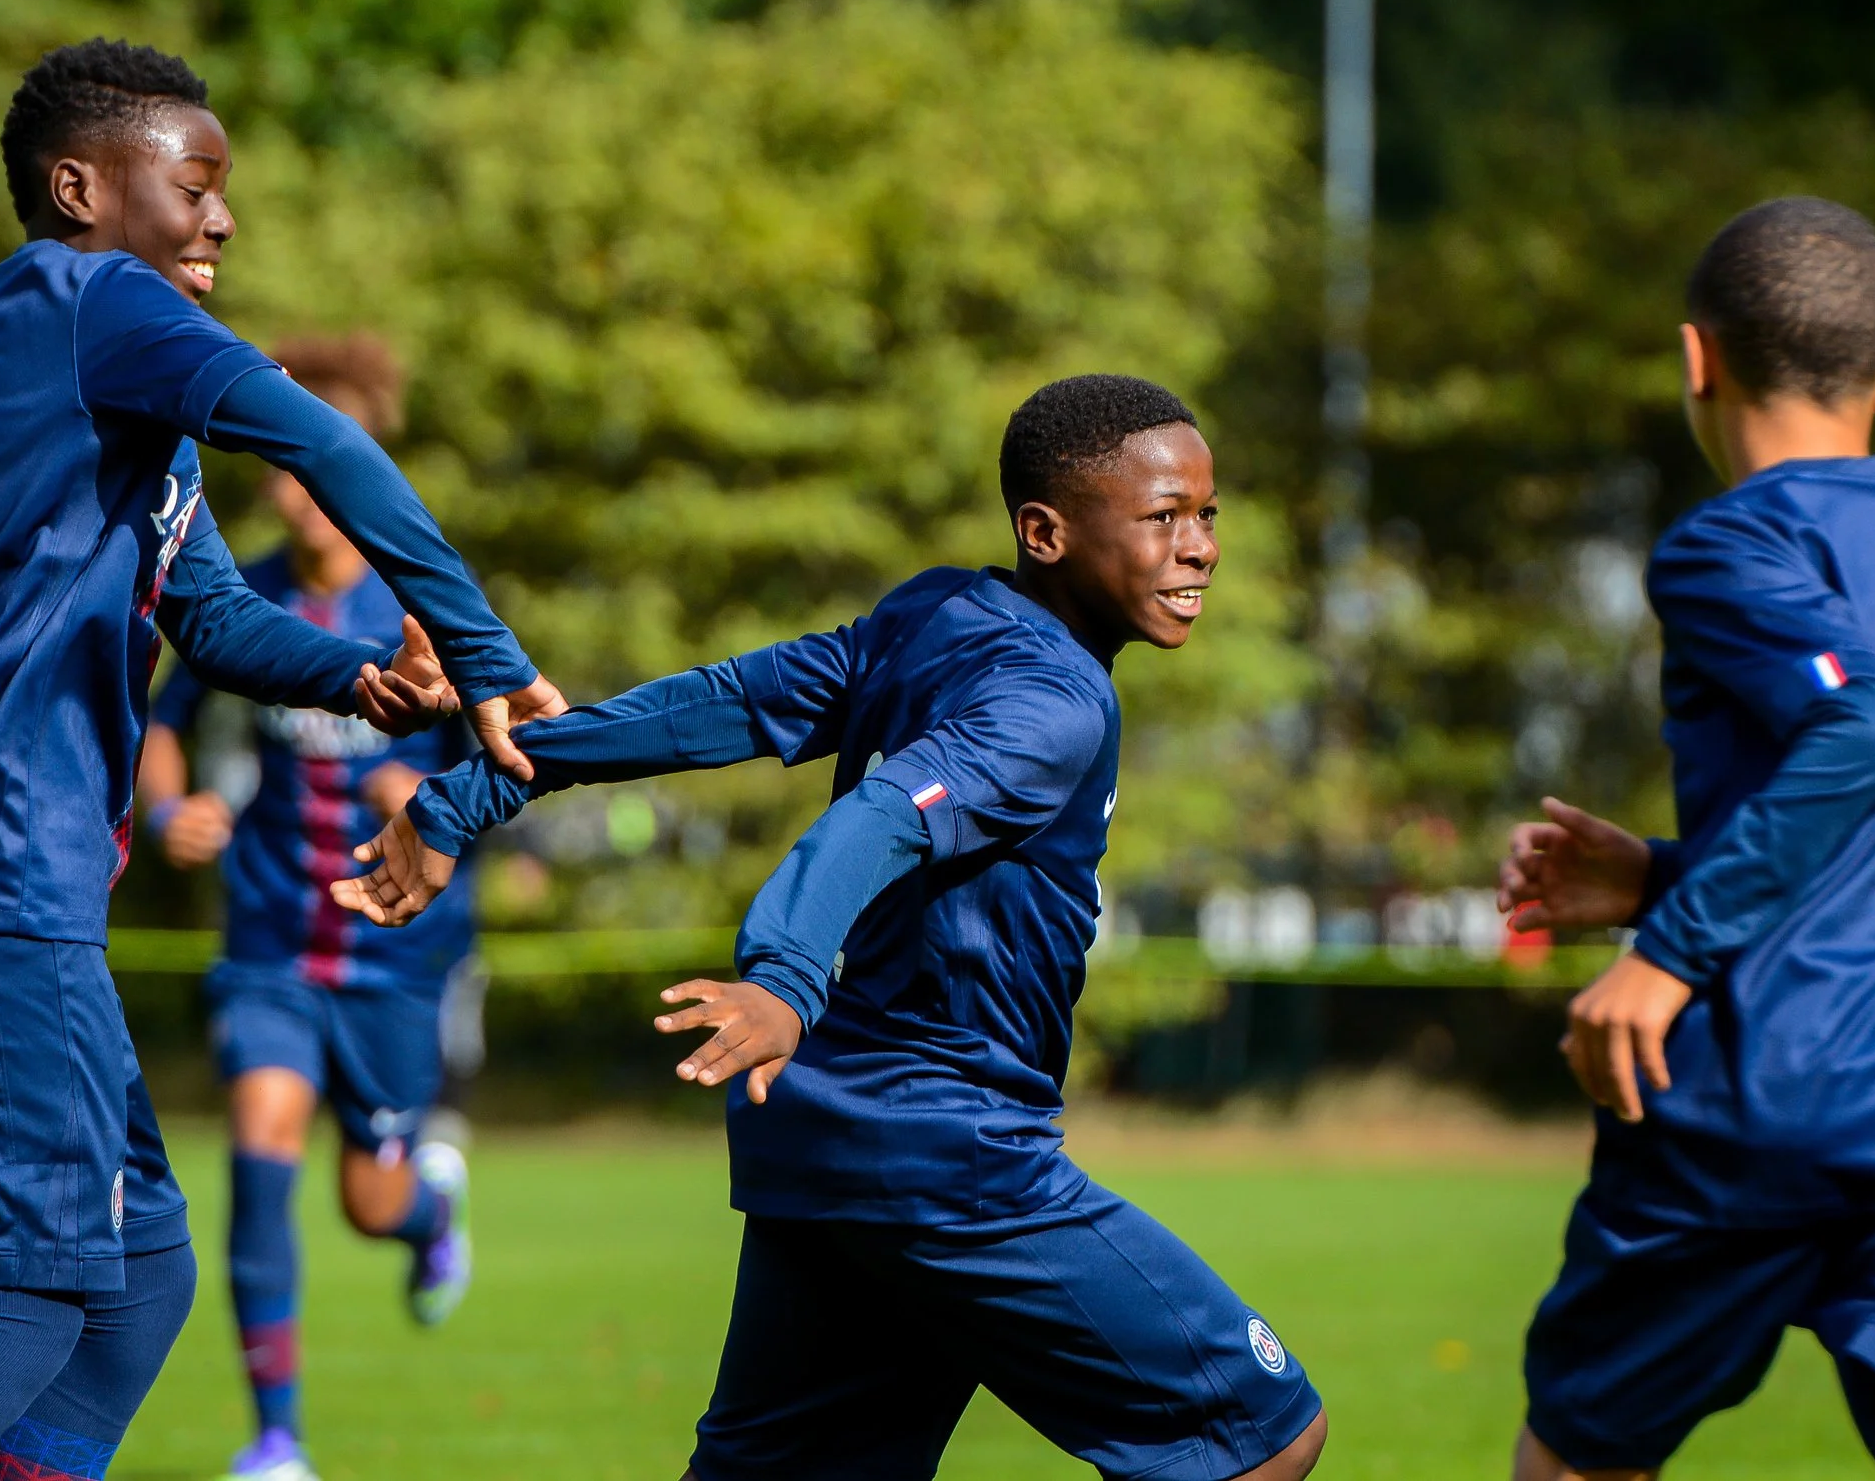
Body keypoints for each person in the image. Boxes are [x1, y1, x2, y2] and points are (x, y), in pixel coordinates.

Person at [336, 374, 1329, 1481]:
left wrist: (471, 794)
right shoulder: (1054, 704)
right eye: (1162, 517)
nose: (1198, 547)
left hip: (827, 1137)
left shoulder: (934, 612)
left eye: (1206, 515)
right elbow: (882, 818)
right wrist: (784, 976)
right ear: (1045, 532)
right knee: (1259, 1432)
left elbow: (721, 705)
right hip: (948, 1149)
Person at [0, 38, 561, 1481]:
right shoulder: (79, 301)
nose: (221, 217)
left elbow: (207, 611)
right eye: (193, 184)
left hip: (16, 866)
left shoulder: (115, 378)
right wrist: (485, 656)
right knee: (25, 1295)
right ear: (79, 188)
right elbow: (327, 444)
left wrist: (362, 675)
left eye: (226, 192)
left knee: (140, 1281)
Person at [1495, 198, 1875, 1481]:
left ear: (1694, 359)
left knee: (1583, 1453)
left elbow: (1861, 736)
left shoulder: (1732, 541)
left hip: (1752, 1088)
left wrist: (1671, 943)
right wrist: (1660, 870)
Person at [138, 334, 484, 1481]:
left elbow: (509, 764)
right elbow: (168, 716)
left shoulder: (424, 604)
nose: (288, 490)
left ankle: (426, 1214)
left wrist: (424, 801)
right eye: (273, 469)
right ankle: (276, 1437)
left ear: (355, 465)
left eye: (308, 466)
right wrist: (174, 803)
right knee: (258, 1143)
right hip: (273, 939)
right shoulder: (244, 601)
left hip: (394, 955)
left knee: (367, 1204)